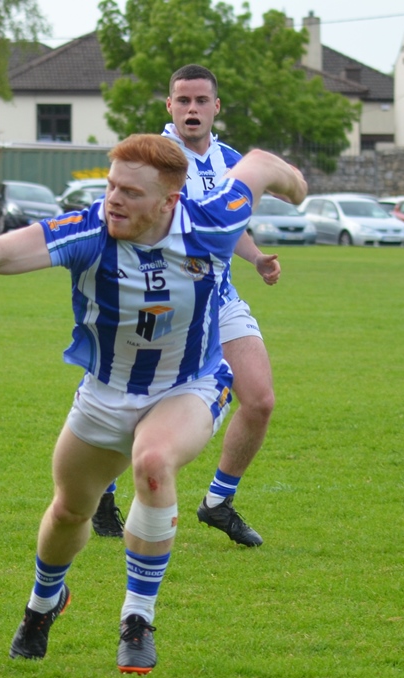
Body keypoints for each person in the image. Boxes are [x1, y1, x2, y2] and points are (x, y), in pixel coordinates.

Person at [0, 134, 305, 674]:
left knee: (153, 463)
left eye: (130, 192)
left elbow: (261, 161)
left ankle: (137, 619)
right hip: (104, 394)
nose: (114, 201)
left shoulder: (212, 223)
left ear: (170, 201)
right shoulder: (88, 232)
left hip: (190, 384)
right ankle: (44, 603)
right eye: (110, 187)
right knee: (69, 512)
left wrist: (297, 186)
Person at [162, 64, 281, 547]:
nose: (192, 109)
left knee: (260, 399)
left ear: (216, 107)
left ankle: (217, 503)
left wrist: (255, 258)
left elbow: (230, 225)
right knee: (137, 405)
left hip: (221, 297)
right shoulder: (153, 157)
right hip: (164, 300)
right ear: (169, 106)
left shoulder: (232, 160)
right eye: (183, 101)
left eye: (200, 101)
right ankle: (103, 490)